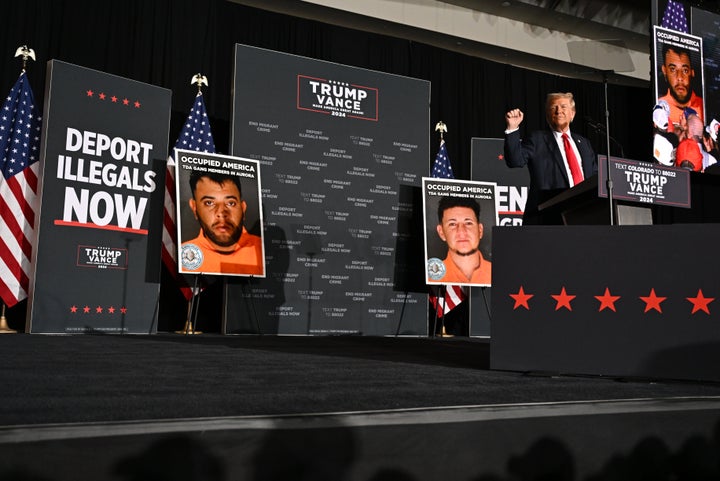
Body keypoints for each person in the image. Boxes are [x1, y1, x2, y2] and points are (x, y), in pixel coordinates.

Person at [504, 92, 597, 225]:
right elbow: (514, 160)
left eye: (563, 107)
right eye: (554, 107)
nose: (559, 111)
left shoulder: (584, 144)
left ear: (573, 113)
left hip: (584, 215)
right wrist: (512, 128)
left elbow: (594, 177)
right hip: (548, 218)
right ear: (547, 115)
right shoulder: (537, 140)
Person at [180, 170, 263, 275]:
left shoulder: (263, 251)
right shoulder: (180, 255)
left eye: (230, 203)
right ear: (194, 208)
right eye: (209, 203)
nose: (221, 213)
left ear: (243, 208)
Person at [427, 196, 491, 285]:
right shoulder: (431, 278)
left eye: (468, 223)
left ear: (480, 230)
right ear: (441, 232)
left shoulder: (498, 274)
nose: (461, 232)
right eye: (452, 224)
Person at [658, 44, 704, 129]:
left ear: (692, 72)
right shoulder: (657, 107)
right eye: (673, 69)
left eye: (685, 70)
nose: (680, 78)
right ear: (664, 71)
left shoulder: (704, 107)